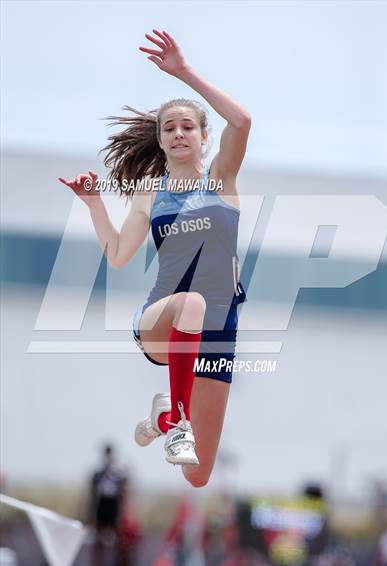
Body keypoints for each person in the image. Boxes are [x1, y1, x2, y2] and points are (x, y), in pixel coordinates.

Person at [59, 29, 251, 487]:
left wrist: (184, 73)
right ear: (161, 141)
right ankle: (180, 424)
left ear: (205, 137)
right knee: (192, 303)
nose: (179, 133)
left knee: (198, 475)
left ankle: (165, 418)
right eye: (169, 128)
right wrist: (94, 205)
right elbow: (119, 254)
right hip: (163, 321)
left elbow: (241, 122)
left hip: (219, 330)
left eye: (188, 126)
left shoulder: (222, 179)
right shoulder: (152, 193)